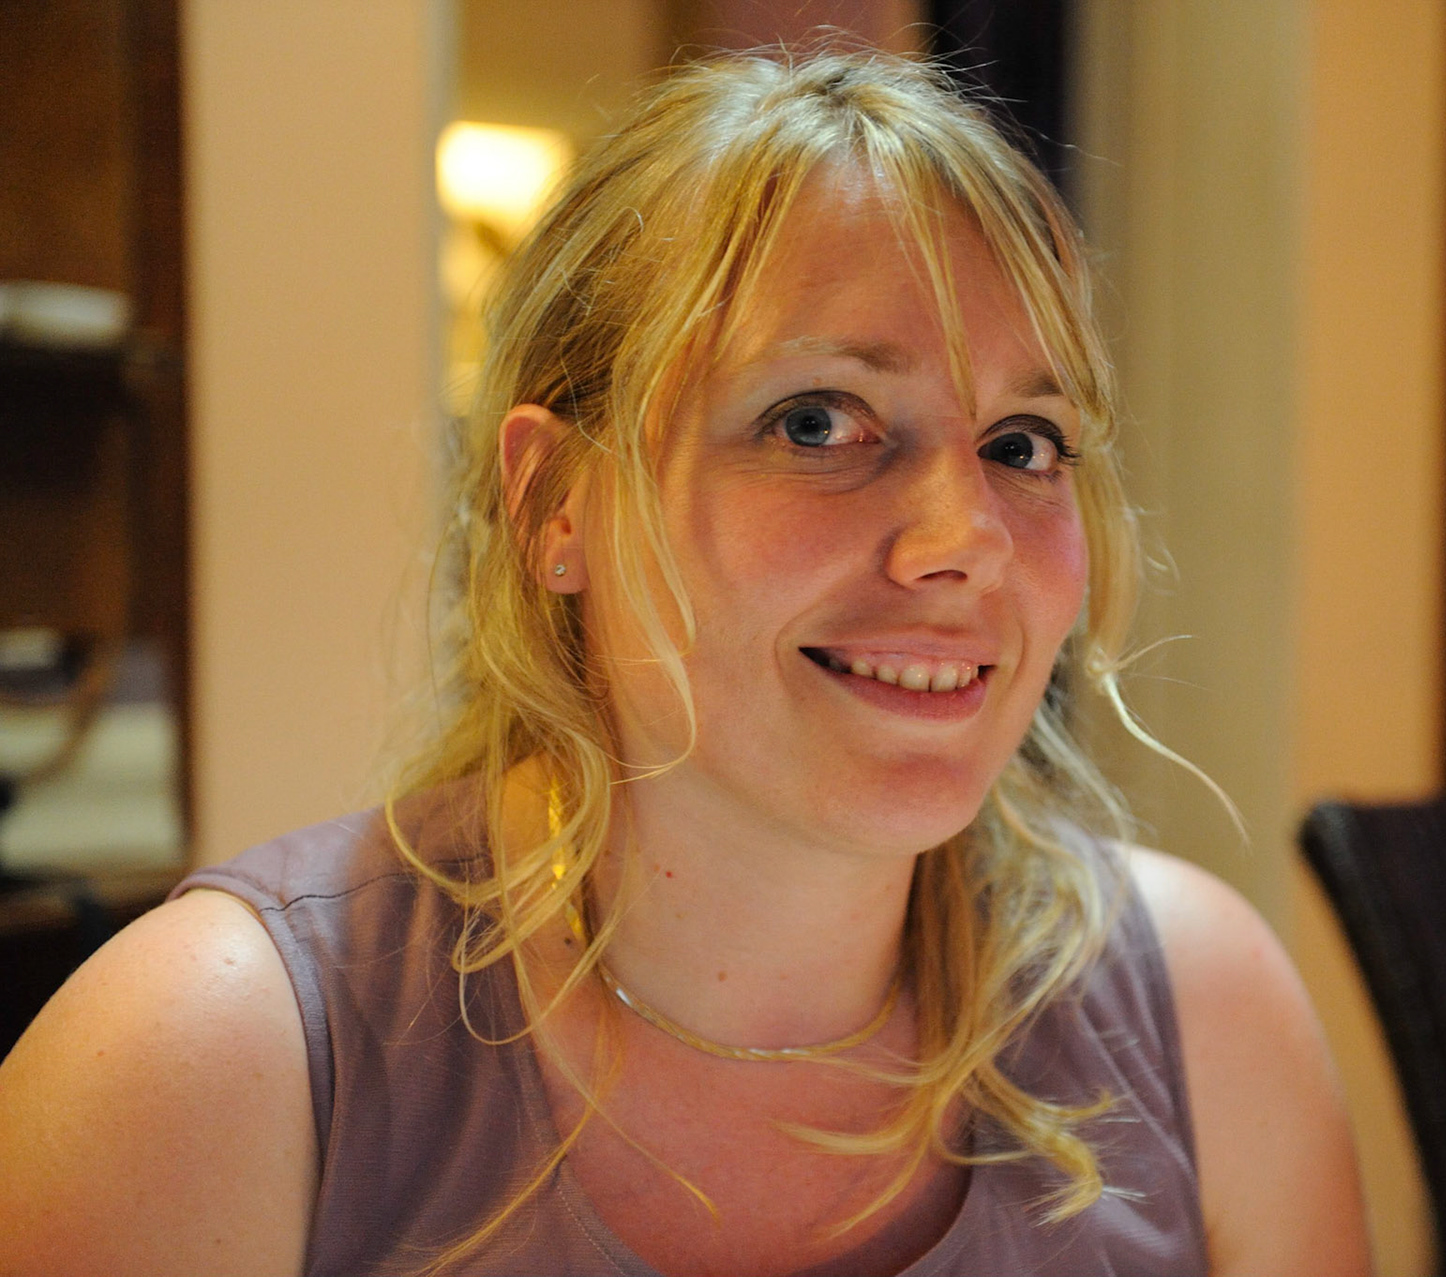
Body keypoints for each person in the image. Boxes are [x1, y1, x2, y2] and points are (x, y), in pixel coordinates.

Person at [0, 51, 1369, 1277]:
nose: (966, 540)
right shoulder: (208, 1063)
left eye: (1024, 444)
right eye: (818, 421)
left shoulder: (1203, 1020)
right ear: (556, 504)